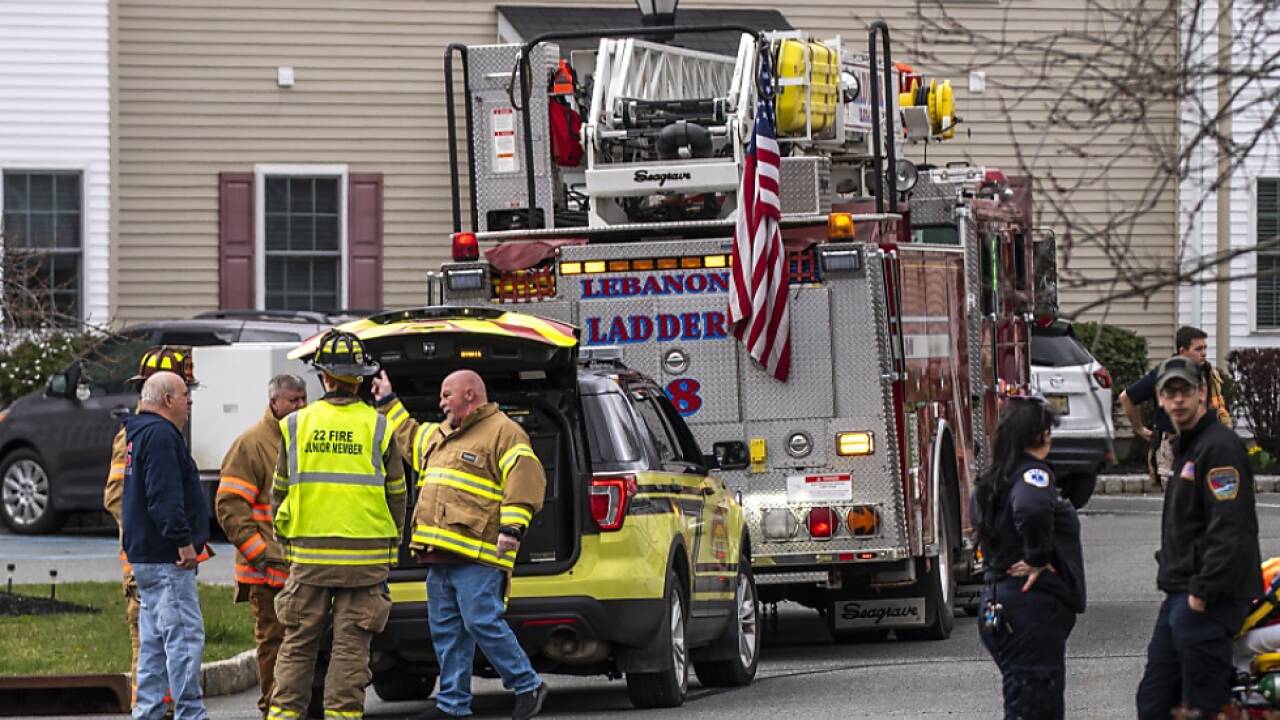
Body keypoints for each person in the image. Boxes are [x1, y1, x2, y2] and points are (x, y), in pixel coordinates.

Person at [267, 331, 407, 720]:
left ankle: (283, 716)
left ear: (324, 377)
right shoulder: (379, 427)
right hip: (365, 561)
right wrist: (391, 546)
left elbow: (279, 492)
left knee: (298, 644)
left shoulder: (295, 424)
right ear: (359, 379)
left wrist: (287, 543)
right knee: (351, 647)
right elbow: (397, 494)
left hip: (309, 558)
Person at [395, 369, 549, 720]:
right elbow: (409, 436)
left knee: (481, 622)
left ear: (469, 394)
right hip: (439, 555)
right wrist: (388, 400)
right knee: (446, 631)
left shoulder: (504, 431)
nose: (441, 402)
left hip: (478, 555)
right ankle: (453, 705)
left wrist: (512, 529)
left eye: (446, 394)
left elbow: (525, 480)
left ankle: (528, 685)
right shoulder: (440, 434)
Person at [1135, 355, 1261, 719]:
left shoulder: (1219, 448)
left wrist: (1200, 595)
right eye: (1169, 392)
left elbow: (1230, 528)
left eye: (1185, 390)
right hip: (1181, 594)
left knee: (1201, 707)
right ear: (1159, 399)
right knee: (1155, 702)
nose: (1178, 399)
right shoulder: (1188, 446)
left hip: (1210, 599)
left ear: (1202, 392)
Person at [971, 392, 1086, 720]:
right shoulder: (1033, 474)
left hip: (1001, 601)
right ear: (1042, 434)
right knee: (1036, 708)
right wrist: (1037, 556)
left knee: (1025, 703)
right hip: (1029, 609)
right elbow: (1031, 508)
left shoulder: (994, 480)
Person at [104, 346, 198, 707]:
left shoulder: (157, 431)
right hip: (149, 558)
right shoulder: (141, 435)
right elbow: (117, 496)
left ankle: (161, 711)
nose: (190, 400)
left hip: (156, 555)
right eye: (185, 390)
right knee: (152, 646)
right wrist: (157, 537)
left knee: (164, 644)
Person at [215, 373, 307, 718]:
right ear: (274, 403)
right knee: (274, 643)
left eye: (304, 398)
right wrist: (261, 555)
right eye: (293, 400)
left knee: (299, 648)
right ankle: (273, 710)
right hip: (267, 571)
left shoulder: (303, 437)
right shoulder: (251, 444)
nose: (301, 406)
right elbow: (229, 506)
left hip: (300, 566)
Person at [121, 371, 210, 720]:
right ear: (168, 400)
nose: (190, 401)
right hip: (167, 557)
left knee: (153, 644)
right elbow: (164, 496)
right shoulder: (161, 436)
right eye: (186, 394)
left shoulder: (139, 433)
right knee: (184, 639)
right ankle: (190, 713)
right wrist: (183, 541)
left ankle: (149, 712)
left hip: (145, 556)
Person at [1120, 326, 1232, 487]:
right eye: (1198, 349)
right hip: (1172, 443)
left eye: (1205, 348)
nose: (1204, 353)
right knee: (1176, 495)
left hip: (1204, 443)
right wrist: (1140, 429)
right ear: (1182, 351)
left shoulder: (1207, 373)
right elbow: (1126, 398)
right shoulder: (1163, 374)